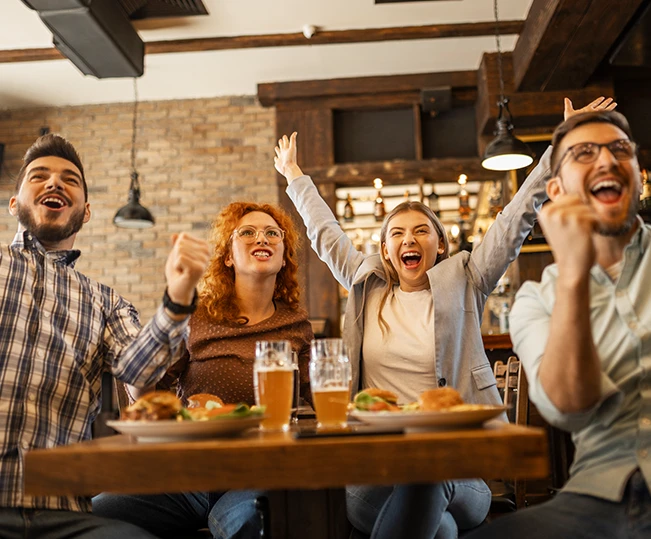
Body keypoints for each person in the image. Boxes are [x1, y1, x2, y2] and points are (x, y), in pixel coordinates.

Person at [272, 97, 617, 539]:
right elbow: (324, 233)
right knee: (442, 529)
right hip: (374, 467)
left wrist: (562, 145)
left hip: (460, 466)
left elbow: (516, 219)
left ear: (440, 245)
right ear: (385, 252)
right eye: (396, 233)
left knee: (430, 475)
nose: (408, 240)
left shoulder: (467, 278)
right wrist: (294, 175)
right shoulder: (364, 284)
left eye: (421, 231)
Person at [0, 134, 211, 539]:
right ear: (14, 204)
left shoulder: (104, 302)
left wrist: (178, 297)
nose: (54, 183)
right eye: (38, 176)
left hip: (62, 512)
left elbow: (138, 370)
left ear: (86, 211)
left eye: (70, 180)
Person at [465, 109, 650, 539]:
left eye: (620, 150)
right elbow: (569, 405)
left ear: (638, 173)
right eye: (584, 153)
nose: (606, 161)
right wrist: (573, 275)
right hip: (597, 496)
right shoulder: (537, 298)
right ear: (557, 189)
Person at [93, 201, 314, 539]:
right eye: (248, 232)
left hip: (258, 473)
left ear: (284, 256)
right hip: (185, 475)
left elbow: (311, 407)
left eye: (273, 233)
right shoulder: (197, 316)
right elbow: (146, 393)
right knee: (93, 513)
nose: (262, 238)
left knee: (248, 522)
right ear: (228, 255)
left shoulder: (296, 323)